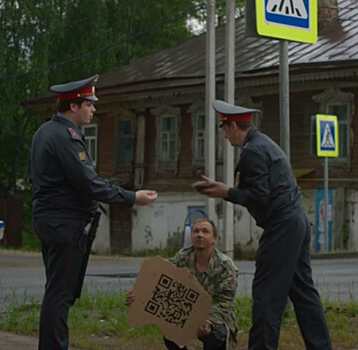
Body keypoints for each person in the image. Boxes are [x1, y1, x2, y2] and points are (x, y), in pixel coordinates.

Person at [28, 74, 158, 350]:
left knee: (56, 291)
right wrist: (132, 197)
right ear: (73, 106)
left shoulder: (44, 131)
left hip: (48, 218)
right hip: (65, 223)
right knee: (60, 294)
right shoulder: (66, 137)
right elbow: (90, 184)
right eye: (89, 103)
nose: (93, 109)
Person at [191, 100, 332, 350]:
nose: (224, 135)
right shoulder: (264, 143)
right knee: (303, 292)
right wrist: (227, 191)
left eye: (225, 128)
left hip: (281, 226)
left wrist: (227, 192)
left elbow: (260, 196)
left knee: (267, 295)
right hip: (296, 221)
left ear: (234, 126)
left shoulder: (253, 152)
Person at [125, 218, 238, 350]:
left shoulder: (225, 266)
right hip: (187, 312)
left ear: (214, 238)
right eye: (196, 231)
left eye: (205, 231)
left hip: (216, 316)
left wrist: (208, 322)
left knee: (217, 336)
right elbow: (159, 281)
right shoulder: (182, 258)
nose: (200, 235)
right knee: (170, 333)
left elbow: (224, 303)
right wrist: (137, 296)